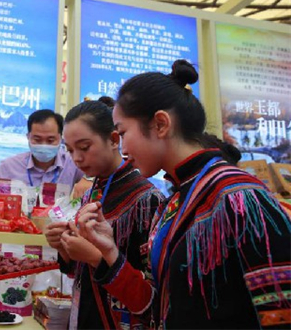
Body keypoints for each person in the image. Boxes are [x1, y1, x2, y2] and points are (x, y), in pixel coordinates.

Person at [78, 60, 291, 329]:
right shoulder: (174, 202)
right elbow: (158, 309)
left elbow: (281, 312)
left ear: (160, 124)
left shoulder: (240, 198)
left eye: (123, 132)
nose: (123, 148)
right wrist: (109, 251)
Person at [44, 101, 163, 329]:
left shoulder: (147, 200)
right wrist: (64, 247)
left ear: (114, 140)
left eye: (84, 147)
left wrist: (95, 257)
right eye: (70, 150)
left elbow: (154, 296)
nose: (77, 158)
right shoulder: (92, 192)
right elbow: (79, 272)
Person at [0, 109, 84, 191]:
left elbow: (91, 174)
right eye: (37, 140)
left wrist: (88, 180)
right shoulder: (8, 167)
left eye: (50, 140)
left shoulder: (73, 162)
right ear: (28, 137)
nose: (44, 145)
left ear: (60, 138)